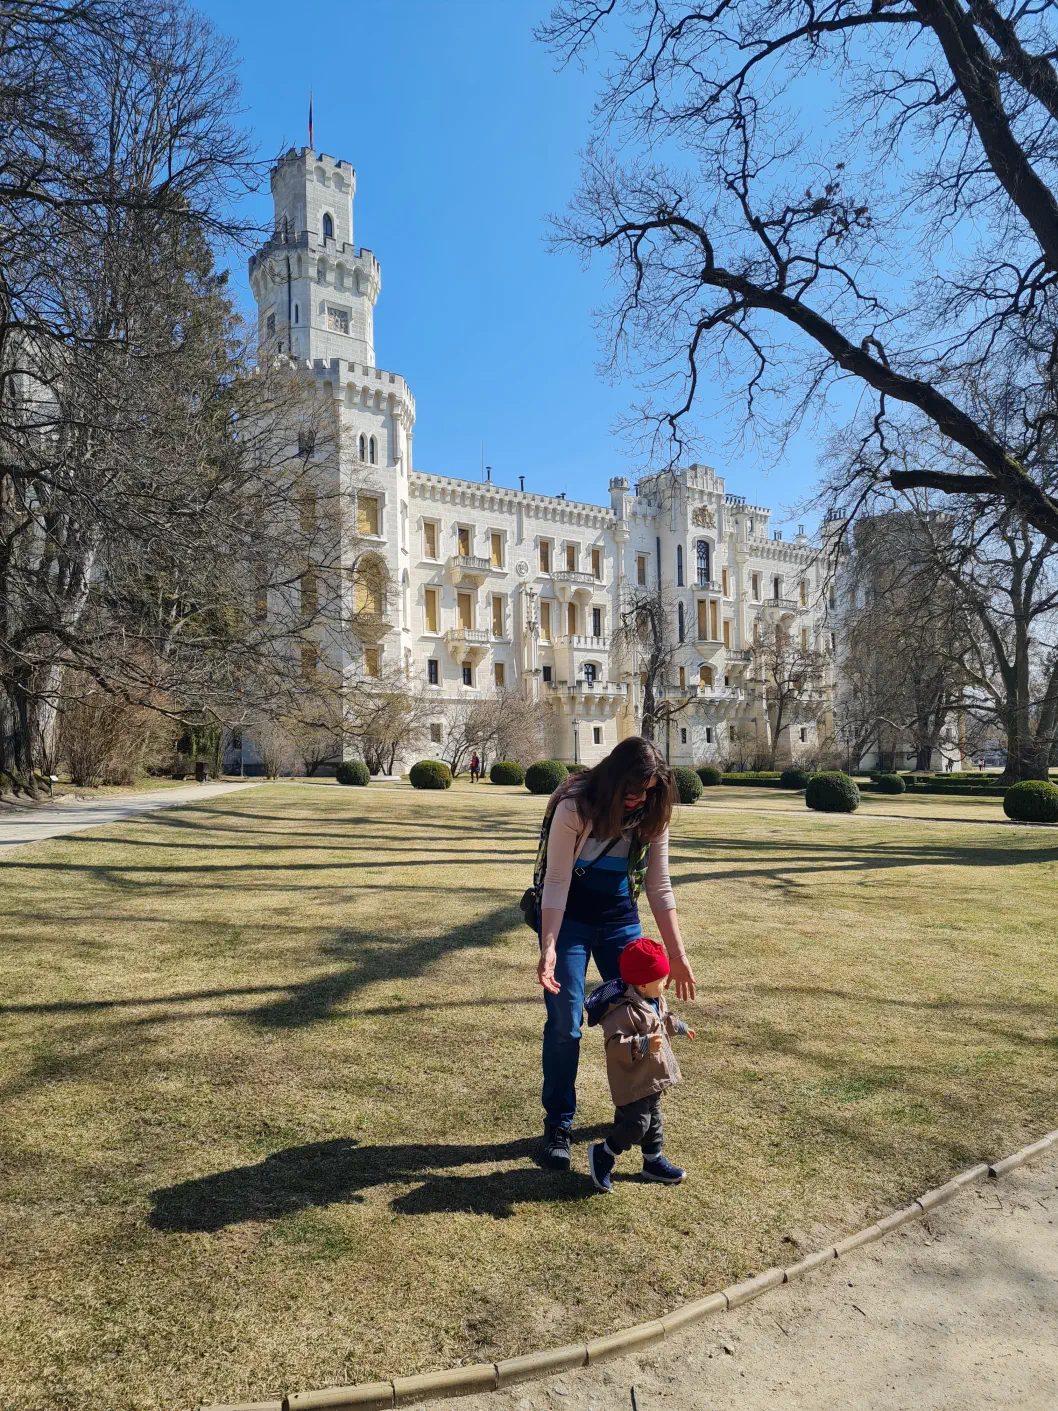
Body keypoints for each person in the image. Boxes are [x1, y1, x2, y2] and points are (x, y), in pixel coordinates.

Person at [532, 736, 696, 1171]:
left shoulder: (653, 811)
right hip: (568, 921)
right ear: (611, 780)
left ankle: (646, 1136)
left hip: (621, 921)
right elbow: (556, 881)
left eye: (646, 792)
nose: (637, 800)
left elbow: (659, 887)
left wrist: (676, 954)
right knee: (565, 1023)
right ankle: (559, 1125)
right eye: (629, 792)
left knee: (648, 1016)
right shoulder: (574, 806)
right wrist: (548, 946)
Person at [584, 936, 695, 1191]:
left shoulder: (654, 999)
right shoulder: (622, 1010)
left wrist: (681, 1027)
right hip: (632, 1081)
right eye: (662, 979)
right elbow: (615, 1046)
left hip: (651, 1078)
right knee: (637, 1124)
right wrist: (642, 1044)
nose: (666, 983)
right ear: (643, 985)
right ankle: (604, 1153)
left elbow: (663, 1019)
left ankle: (652, 1161)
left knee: (654, 1120)